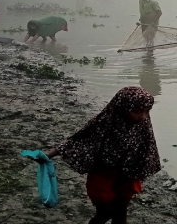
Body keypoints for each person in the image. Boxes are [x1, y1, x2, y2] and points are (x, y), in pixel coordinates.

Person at [41, 86, 160, 224]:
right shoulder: (104, 122)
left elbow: (147, 149)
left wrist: (143, 169)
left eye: (147, 111)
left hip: (127, 176)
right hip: (103, 175)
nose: (143, 116)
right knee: (105, 212)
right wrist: (51, 153)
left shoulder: (143, 125)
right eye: (137, 111)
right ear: (122, 108)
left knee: (121, 212)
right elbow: (80, 139)